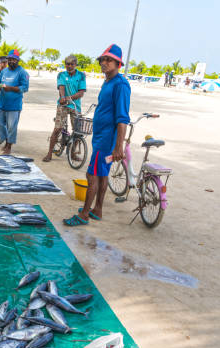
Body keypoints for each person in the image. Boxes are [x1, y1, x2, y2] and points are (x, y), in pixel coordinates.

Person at [64, 44, 130, 226]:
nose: (104, 63)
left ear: (118, 64)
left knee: (91, 175)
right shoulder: (108, 81)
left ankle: (84, 214)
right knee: (102, 174)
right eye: (103, 59)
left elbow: (122, 118)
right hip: (101, 137)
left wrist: (118, 146)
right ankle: (97, 209)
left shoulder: (121, 85)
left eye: (109, 60)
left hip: (107, 141)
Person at [43, 55, 86, 162]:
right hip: (63, 105)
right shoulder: (61, 75)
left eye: (72, 64)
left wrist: (69, 98)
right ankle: (49, 154)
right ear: (65, 65)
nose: (69, 66)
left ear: (75, 65)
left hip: (75, 106)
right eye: (67, 64)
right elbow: (61, 87)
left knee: (77, 131)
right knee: (57, 128)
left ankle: (72, 154)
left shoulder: (81, 75)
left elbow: (81, 93)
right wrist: (62, 98)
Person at [0, 50, 29, 155]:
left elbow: (25, 88)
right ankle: (7, 140)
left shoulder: (22, 72)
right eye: (10, 59)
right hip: (2, 104)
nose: (11, 61)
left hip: (14, 105)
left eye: (14, 59)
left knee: (11, 127)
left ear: (18, 60)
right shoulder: (4, 71)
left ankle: (8, 146)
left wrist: (11, 88)